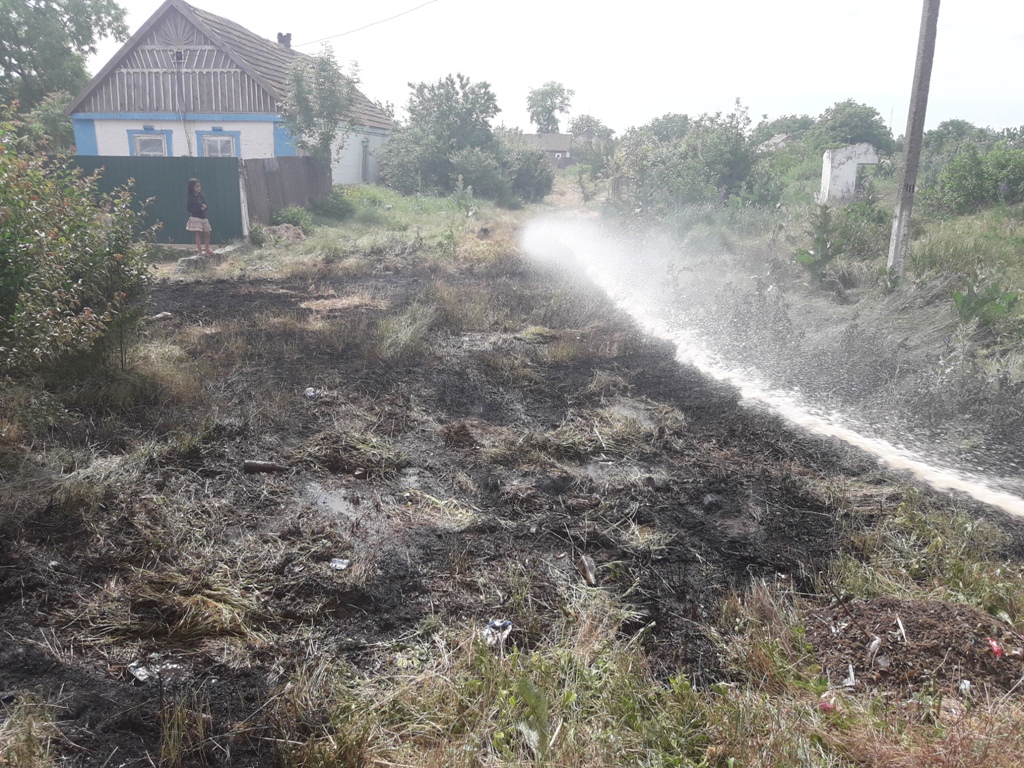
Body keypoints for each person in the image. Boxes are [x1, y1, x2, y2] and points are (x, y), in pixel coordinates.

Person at [186, 178, 214, 255]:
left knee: (207, 233)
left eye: (199, 186)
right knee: (198, 233)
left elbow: (206, 205)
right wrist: (198, 208)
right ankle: (200, 251)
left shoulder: (202, 196)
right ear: (192, 188)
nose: (198, 188)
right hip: (196, 217)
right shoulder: (191, 198)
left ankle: (207, 249)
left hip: (203, 217)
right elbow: (189, 209)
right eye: (196, 186)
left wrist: (205, 207)